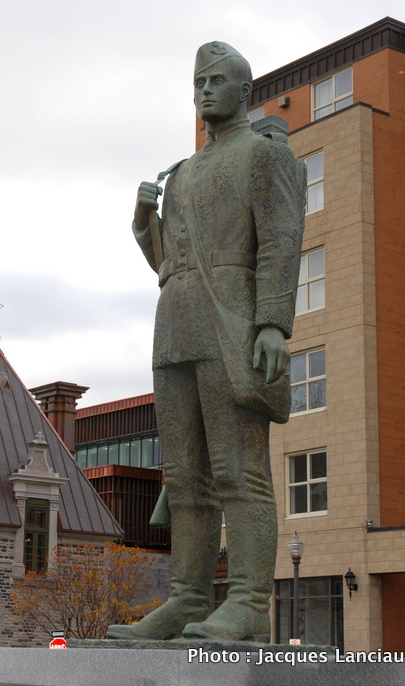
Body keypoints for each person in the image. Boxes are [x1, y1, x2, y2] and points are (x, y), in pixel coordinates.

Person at [106, 41, 305, 642]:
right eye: (198, 84)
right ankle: (187, 599)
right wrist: (145, 227)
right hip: (175, 328)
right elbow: (171, 265)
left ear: (245, 91)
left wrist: (273, 322)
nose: (205, 92)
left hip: (232, 324)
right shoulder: (185, 172)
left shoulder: (265, 153)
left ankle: (247, 601)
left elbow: (280, 239)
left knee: (238, 471)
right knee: (185, 478)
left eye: (216, 82)